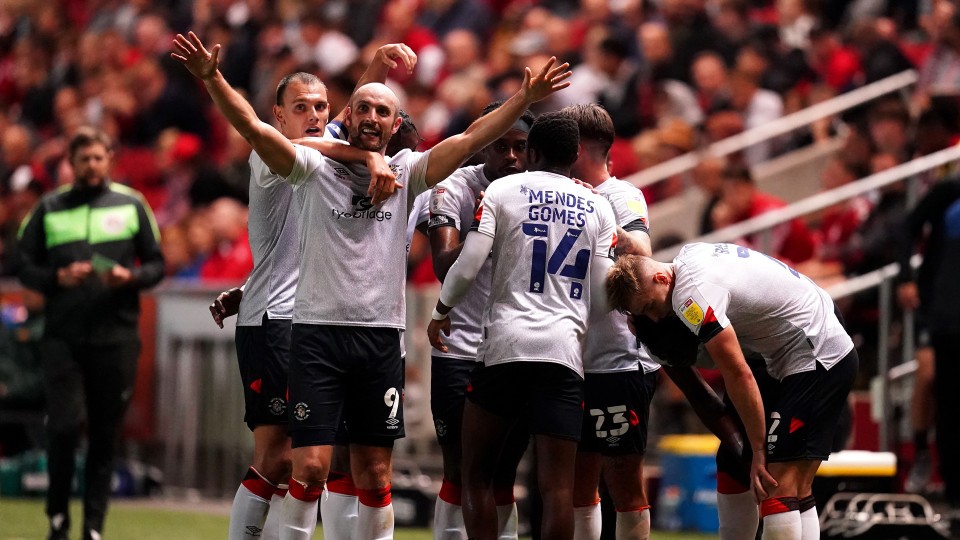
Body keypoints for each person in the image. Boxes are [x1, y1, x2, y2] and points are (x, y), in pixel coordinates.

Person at [173, 30, 571, 540]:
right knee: (308, 468)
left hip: (380, 340)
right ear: (350, 117)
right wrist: (212, 79)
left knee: (375, 474)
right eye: (361, 109)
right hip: (315, 336)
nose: (370, 117)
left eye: (383, 112)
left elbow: (472, 139)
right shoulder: (311, 167)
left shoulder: (410, 172)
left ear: (395, 124)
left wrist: (525, 97)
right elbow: (253, 128)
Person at [204, 44, 418, 540]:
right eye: (301, 107)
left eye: (321, 107)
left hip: (311, 319)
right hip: (275, 319)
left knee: (327, 459)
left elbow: (359, 114)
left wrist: (378, 66)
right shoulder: (273, 154)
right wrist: (369, 154)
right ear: (279, 116)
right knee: (279, 458)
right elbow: (272, 130)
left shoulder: (327, 148)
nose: (316, 116)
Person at [427, 111, 619, 540]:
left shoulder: (502, 190)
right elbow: (604, 296)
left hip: (505, 348)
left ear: (531, 152)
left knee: (476, 475)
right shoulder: (599, 206)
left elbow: (466, 265)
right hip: (564, 353)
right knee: (558, 489)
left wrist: (441, 311)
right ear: (574, 155)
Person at [606, 244, 858, 540]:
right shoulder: (684, 266)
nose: (655, 316)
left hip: (814, 350)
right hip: (783, 349)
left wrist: (759, 451)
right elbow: (703, 396)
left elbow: (738, 373)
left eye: (650, 306)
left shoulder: (691, 298)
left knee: (777, 482)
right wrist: (747, 450)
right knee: (735, 465)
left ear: (661, 278)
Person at [17, 127, 165, 540]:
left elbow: (157, 264)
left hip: (116, 338)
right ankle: (57, 517)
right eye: (84, 159)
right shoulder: (48, 208)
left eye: (99, 158)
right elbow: (22, 264)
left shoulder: (132, 204)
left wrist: (129, 277)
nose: (92, 165)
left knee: (104, 434)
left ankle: (93, 527)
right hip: (62, 338)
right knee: (63, 428)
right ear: (71, 163)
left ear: (110, 159)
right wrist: (56, 278)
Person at [424, 100, 535, 539]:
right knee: (460, 469)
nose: (511, 156)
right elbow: (443, 268)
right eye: (501, 146)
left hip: (513, 347)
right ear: (482, 146)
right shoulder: (454, 189)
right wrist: (480, 223)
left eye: (521, 147)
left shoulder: (539, 189)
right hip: (460, 348)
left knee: (505, 472)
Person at [561, 103, 659, 540]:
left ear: (578, 147)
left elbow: (642, 248)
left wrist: (596, 208)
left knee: (623, 480)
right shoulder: (561, 191)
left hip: (618, 359)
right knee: (577, 480)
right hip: (573, 357)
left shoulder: (620, 194)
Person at [897, 176, 960, 522]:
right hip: (944, 314)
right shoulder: (950, 191)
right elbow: (908, 227)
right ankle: (941, 475)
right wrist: (906, 277)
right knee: (942, 392)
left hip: (946, 316)